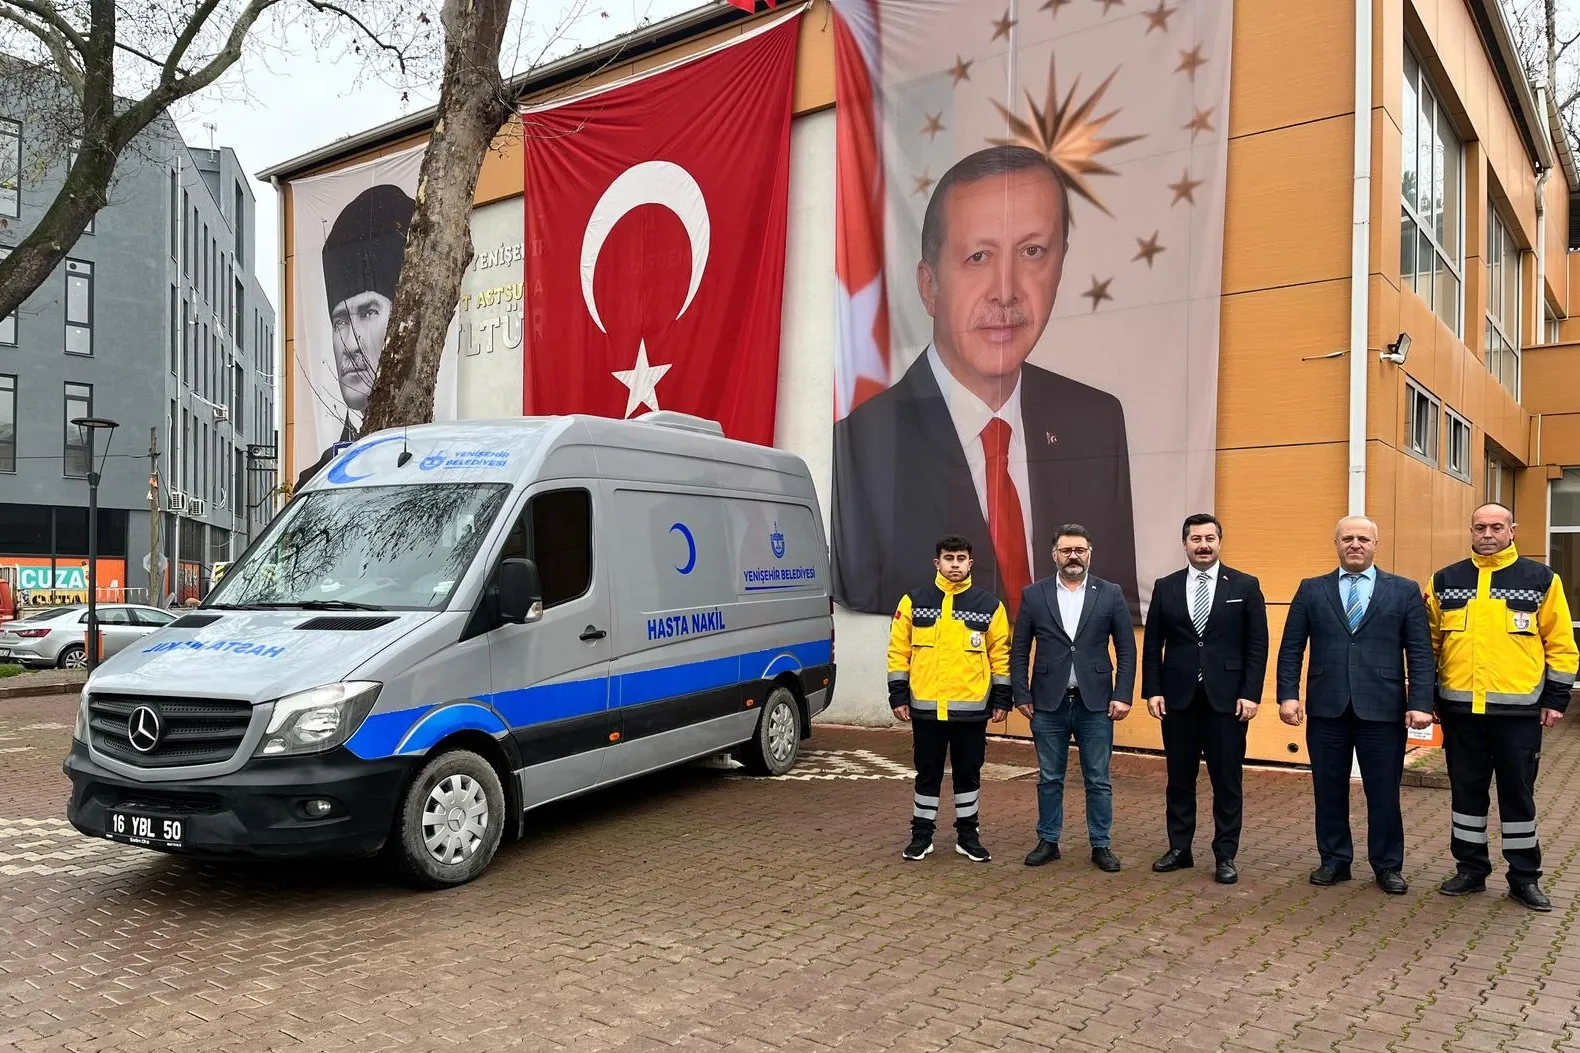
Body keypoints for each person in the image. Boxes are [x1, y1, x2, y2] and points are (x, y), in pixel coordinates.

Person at [832, 145, 1138, 624]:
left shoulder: (1096, 422)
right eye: (978, 256)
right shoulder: (861, 444)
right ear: (929, 286)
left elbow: (1113, 608)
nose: (1005, 291)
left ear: (1060, 266)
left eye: (1032, 251)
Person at [1427, 503, 1577, 911]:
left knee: (1518, 796)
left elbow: (1561, 644)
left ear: (1513, 530)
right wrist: (1428, 698)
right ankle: (1470, 870)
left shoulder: (1541, 579)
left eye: (1497, 527)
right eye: (1480, 527)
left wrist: (1556, 698)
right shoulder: (1445, 581)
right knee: (1466, 796)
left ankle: (1524, 878)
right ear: (1471, 531)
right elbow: (1430, 645)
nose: (1488, 534)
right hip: (1461, 714)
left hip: (1518, 716)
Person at [1275, 516, 1435, 895]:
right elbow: (1291, 647)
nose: (1355, 544)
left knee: (1384, 792)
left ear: (1376, 544)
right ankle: (1334, 860)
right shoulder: (1311, 590)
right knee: (1328, 788)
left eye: (1363, 538)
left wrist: (1421, 702)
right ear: (1336, 543)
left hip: (1383, 709)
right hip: (1326, 708)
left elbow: (1419, 652)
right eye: (1347, 538)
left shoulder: (1404, 590)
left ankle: (1387, 865)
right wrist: (1288, 695)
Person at [1142, 513, 1268, 885]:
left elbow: (1257, 646)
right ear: (1185, 544)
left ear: (1219, 542)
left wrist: (1250, 693)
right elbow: (1153, 645)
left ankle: (1225, 855)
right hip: (1178, 700)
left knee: (1226, 781)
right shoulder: (1166, 587)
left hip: (1227, 703)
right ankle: (1179, 849)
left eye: (1209, 538)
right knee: (1179, 779)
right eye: (1195, 539)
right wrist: (1153, 690)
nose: (1203, 545)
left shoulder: (1245, 585)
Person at [1010, 524, 1136, 872]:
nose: (1073, 556)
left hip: (1095, 703)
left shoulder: (1109, 593)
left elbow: (1126, 648)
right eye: (1066, 550)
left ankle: (1101, 844)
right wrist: (1021, 693)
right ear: (1054, 555)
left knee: (1098, 779)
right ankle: (1048, 841)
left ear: (1089, 554)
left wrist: (1123, 694)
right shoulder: (1034, 594)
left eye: (1080, 550)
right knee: (1050, 777)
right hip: (1047, 702)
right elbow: (1019, 649)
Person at [889, 534, 1012, 863]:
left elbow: (1001, 655)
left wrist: (1002, 699)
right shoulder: (912, 602)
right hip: (926, 708)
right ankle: (921, 836)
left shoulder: (989, 606)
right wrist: (898, 695)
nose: (954, 564)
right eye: (948, 558)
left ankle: (968, 837)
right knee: (927, 773)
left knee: (968, 773)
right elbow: (898, 652)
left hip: (971, 711)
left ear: (970, 563)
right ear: (937, 562)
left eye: (960, 559)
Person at [296, 183, 416, 490]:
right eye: (340, 321)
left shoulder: (437, 457)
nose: (350, 345)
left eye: (369, 312)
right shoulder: (316, 477)